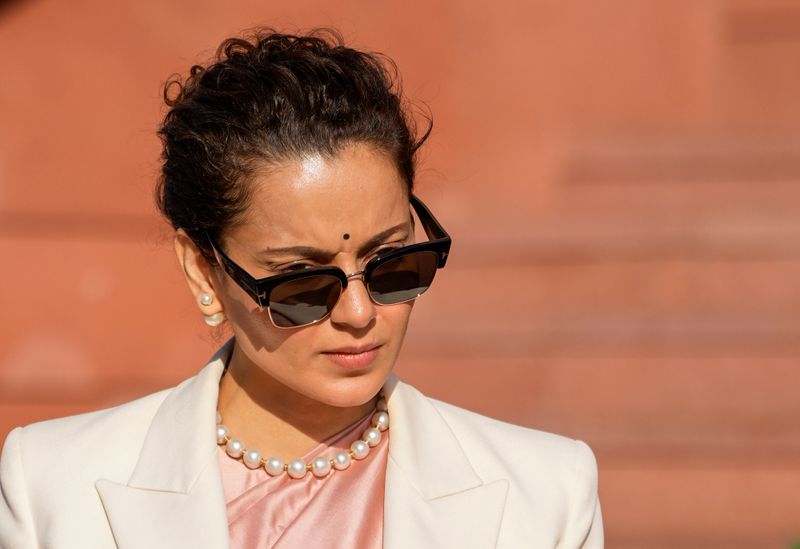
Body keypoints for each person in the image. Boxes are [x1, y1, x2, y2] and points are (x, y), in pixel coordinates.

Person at [0, 29, 603, 548]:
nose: (360, 313)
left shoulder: (544, 493)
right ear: (204, 273)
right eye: (303, 284)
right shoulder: (54, 486)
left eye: (392, 265)